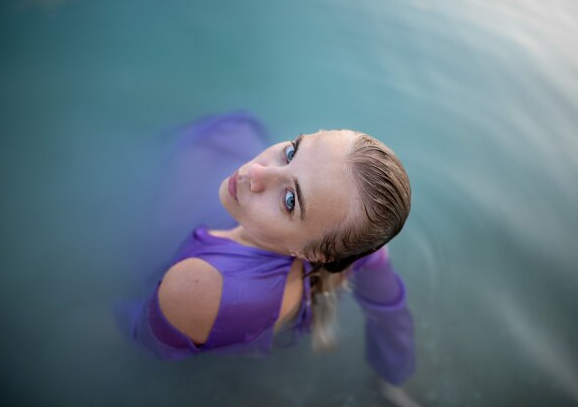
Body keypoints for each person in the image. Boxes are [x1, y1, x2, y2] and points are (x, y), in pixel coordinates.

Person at [115, 111, 415, 391]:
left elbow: (138, 343)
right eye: (292, 151)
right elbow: (390, 313)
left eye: (289, 200)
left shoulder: (201, 287)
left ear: (315, 254)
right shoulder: (356, 245)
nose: (256, 171)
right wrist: (393, 377)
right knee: (238, 124)